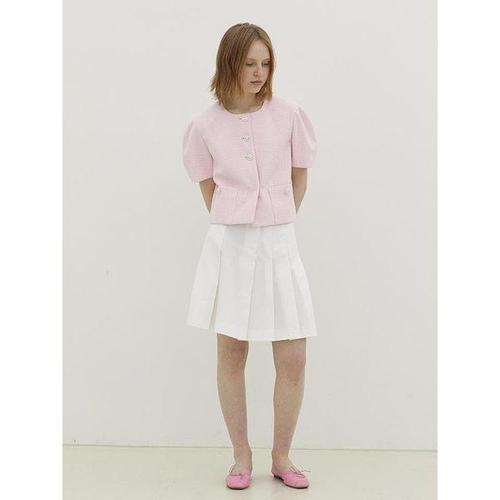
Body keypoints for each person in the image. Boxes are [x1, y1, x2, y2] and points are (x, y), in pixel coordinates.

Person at [182, 22, 317, 490]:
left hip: (279, 243)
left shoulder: (290, 115)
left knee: (293, 355)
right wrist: (238, 218)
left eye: (265, 63)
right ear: (229, 64)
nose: (259, 72)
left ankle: (282, 456)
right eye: (249, 63)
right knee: (232, 351)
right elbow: (208, 189)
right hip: (232, 244)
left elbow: (300, 178)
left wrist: (275, 217)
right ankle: (241, 457)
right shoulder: (204, 126)